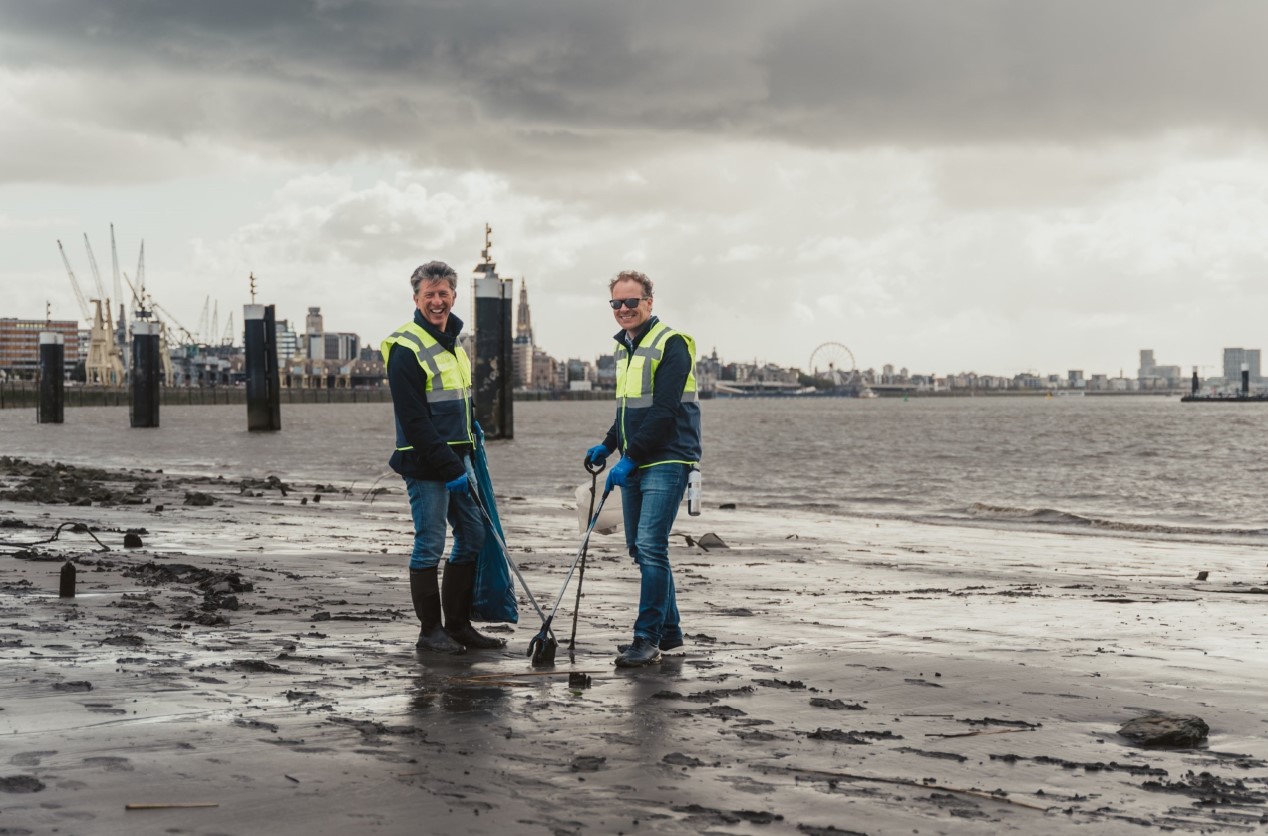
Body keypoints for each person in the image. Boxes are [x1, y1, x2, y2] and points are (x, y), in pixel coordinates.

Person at [382, 260, 505, 654]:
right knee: (429, 544)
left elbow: (459, 405)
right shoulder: (405, 347)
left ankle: (458, 626)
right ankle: (430, 632)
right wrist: (450, 466)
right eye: (429, 295)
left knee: (472, 536)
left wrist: (472, 438)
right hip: (425, 463)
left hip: (459, 458)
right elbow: (415, 421)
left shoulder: (454, 344)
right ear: (416, 299)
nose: (437, 301)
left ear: (454, 295)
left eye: (444, 293)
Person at [584, 270, 702, 667]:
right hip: (635, 457)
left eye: (631, 302)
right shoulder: (625, 349)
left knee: (651, 546)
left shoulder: (672, 345)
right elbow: (627, 411)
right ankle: (669, 634)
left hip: (668, 457)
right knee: (639, 547)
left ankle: (646, 638)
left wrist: (630, 457)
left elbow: (665, 411)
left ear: (649, 303)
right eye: (616, 303)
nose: (623, 309)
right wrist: (608, 444)